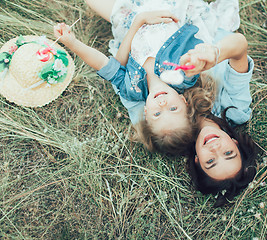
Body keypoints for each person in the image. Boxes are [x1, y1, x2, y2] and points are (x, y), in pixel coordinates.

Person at [54, 0, 241, 154]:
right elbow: (194, 36)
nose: (162, 105)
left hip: (129, 17)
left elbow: (107, 64)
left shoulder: (132, 89)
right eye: (173, 108)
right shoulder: (185, 74)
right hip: (167, 6)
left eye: (157, 114)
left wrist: (73, 43)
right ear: (184, 101)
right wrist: (195, 58)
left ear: (145, 114)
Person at [180, 30, 258, 207]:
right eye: (228, 153)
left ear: (197, 160)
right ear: (235, 143)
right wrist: (213, 55)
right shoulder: (236, 110)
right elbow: (239, 46)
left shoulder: (172, 127)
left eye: (210, 161)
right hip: (202, 28)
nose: (216, 149)